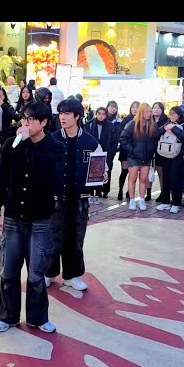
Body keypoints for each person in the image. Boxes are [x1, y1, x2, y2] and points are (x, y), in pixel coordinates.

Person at [0, 101, 65, 334]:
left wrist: (25, 143)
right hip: (12, 217)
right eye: (24, 118)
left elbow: (46, 176)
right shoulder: (12, 145)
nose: (26, 123)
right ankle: (8, 316)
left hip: (40, 219)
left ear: (43, 122)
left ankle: (38, 317)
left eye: (31, 119)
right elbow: (0, 176)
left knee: (36, 273)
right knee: (8, 270)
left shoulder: (54, 147)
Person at [46, 98, 107, 291]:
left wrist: (103, 175)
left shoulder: (90, 141)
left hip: (80, 200)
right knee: (53, 238)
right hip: (56, 199)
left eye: (67, 114)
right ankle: (48, 273)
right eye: (61, 113)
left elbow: (101, 169)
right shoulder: (53, 139)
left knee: (76, 239)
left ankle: (72, 275)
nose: (62, 117)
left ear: (77, 116)